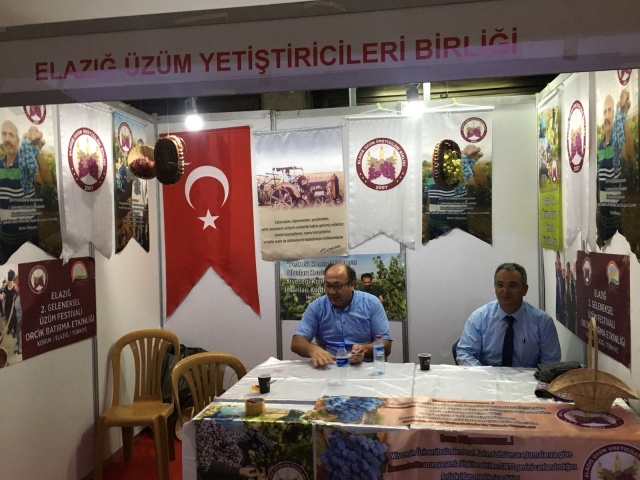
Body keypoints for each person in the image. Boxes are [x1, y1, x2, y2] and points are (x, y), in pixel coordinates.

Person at [456, 262, 561, 367]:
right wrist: (482, 374)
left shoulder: (543, 322)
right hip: (488, 375)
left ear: (525, 289)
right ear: (495, 288)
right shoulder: (479, 317)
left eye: (512, 285)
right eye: (500, 285)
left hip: (528, 376)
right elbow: (464, 352)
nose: (505, 291)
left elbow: (550, 362)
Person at [291, 263, 392, 367]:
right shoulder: (317, 307)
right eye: (328, 285)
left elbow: (386, 345)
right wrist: (312, 349)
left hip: (363, 368)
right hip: (329, 367)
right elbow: (296, 342)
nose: (331, 292)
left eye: (338, 286)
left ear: (352, 285)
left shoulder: (371, 303)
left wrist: (364, 350)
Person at [0, 120, 53, 260]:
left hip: (28, 237)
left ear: (18, 140)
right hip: (6, 238)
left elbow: (47, 181)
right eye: (4, 134)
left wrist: (35, 151)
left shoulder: (25, 162)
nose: (7, 139)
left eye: (11, 135)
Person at [597, 90, 635, 245]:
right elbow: (600, 178)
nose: (607, 115)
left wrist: (623, 117)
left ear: (614, 114)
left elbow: (629, 155)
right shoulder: (600, 145)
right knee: (604, 245)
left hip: (615, 213)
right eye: (604, 111)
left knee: (616, 247)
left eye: (610, 110)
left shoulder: (616, 140)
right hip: (603, 214)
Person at [3, 269, 17, 338]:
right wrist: (3, 307)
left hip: (13, 308)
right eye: (8, 282)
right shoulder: (6, 287)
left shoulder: (15, 287)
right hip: (7, 307)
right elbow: (4, 298)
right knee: (8, 318)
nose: (9, 284)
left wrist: (15, 297)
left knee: (14, 320)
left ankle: (14, 331)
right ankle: (10, 328)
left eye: (11, 282)